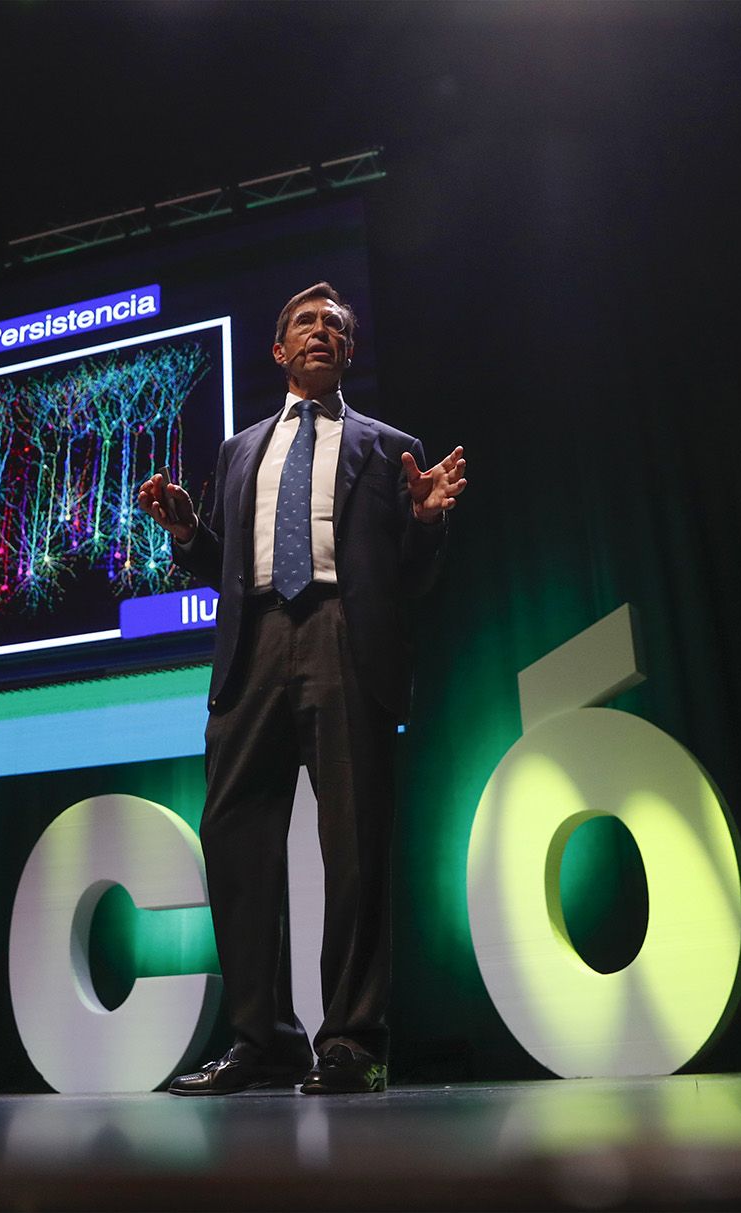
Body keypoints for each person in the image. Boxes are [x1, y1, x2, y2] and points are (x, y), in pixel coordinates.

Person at [138, 282, 466, 1095]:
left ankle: (352, 1039)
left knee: (353, 843)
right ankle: (264, 1039)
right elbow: (226, 566)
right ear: (280, 351)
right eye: (306, 324)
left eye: (336, 326)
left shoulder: (391, 446)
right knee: (236, 836)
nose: (322, 331)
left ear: (348, 353)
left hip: (341, 637)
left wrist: (426, 521)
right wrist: (187, 530)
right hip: (252, 645)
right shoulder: (238, 449)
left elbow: (413, 580)